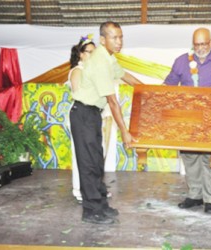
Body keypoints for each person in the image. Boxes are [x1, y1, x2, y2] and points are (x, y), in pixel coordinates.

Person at [70, 21, 143, 224]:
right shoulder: (100, 61)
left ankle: (101, 205)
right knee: (88, 165)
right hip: (83, 113)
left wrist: (149, 91)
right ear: (103, 40)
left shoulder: (109, 58)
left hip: (92, 114)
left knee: (96, 162)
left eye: (121, 37)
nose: (119, 42)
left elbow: (125, 76)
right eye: (114, 37)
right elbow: (112, 101)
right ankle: (91, 211)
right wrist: (125, 132)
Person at [164, 27, 211, 214]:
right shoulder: (181, 62)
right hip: (188, 122)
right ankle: (195, 195)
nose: (200, 48)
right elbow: (168, 86)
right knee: (191, 159)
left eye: (204, 44)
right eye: (196, 44)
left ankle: (210, 199)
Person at [66, 34, 96, 203]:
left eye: (95, 52)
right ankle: (79, 189)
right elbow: (79, 94)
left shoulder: (92, 71)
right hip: (81, 113)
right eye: (89, 52)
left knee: (94, 154)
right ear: (81, 55)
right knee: (82, 154)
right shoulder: (78, 71)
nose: (93, 55)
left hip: (92, 114)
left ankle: (94, 187)